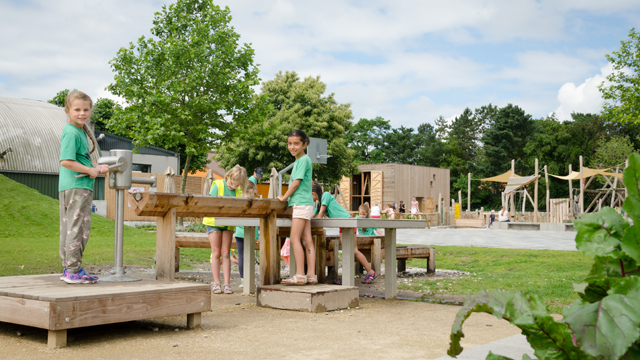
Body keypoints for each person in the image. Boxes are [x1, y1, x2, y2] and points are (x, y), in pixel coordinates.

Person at [58, 91, 109, 284]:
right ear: (67, 111)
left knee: (70, 226)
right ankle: (72, 270)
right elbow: (66, 161)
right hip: (77, 186)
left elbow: (80, 158)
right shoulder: (71, 131)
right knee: (78, 228)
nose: (82, 113)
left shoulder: (78, 131)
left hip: (74, 185)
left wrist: (97, 168)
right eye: (77, 109)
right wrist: (90, 169)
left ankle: (71, 269)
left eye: (85, 109)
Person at [312, 182, 376, 284]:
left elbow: (320, 213)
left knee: (354, 250)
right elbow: (313, 215)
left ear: (314, 193)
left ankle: (370, 271)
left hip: (348, 222)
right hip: (342, 225)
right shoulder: (319, 204)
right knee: (347, 251)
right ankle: (347, 276)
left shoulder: (326, 195)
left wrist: (317, 223)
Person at [277, 130, 316, 285]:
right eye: (289, 143)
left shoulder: (302, 161)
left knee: (294, 239)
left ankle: (300, 275)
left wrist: (284, 197)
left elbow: (296, 182)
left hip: (300, 203)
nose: (292, 147)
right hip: (306, 202)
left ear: (304, 144)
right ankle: (311, 275)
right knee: (307, 239)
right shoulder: (305, 160)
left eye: (296, 144)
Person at [203, 165, 248, 294]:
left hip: (228, 225)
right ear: (228, 176)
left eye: (236, 184)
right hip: (214, 223)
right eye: (231, 182)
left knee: (226, 253)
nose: (232, 186)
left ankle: (227, 284)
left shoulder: (238, 191)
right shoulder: (218, 184)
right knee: (216, 253)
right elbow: (211, 203)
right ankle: (217, 283)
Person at [233, 181, 258, 288]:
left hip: (239, 232)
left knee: (241, 256)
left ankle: (243, 279)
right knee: (250, 256)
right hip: (250, 232)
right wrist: (256, 236)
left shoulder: (239, 201)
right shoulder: (255, 202)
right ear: (251, 190)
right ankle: (250, 278)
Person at [354, 204, 381, 284]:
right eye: (360, 214)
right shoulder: (357, 219)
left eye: (364, 214)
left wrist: (382, 236)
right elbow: (351, 221)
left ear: (367, 214)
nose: (362, 216)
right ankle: (369, 273)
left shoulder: (370, 220)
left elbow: (377, 229)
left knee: (368, 257)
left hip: (370, 240)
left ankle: (370, 273)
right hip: (362, 240)